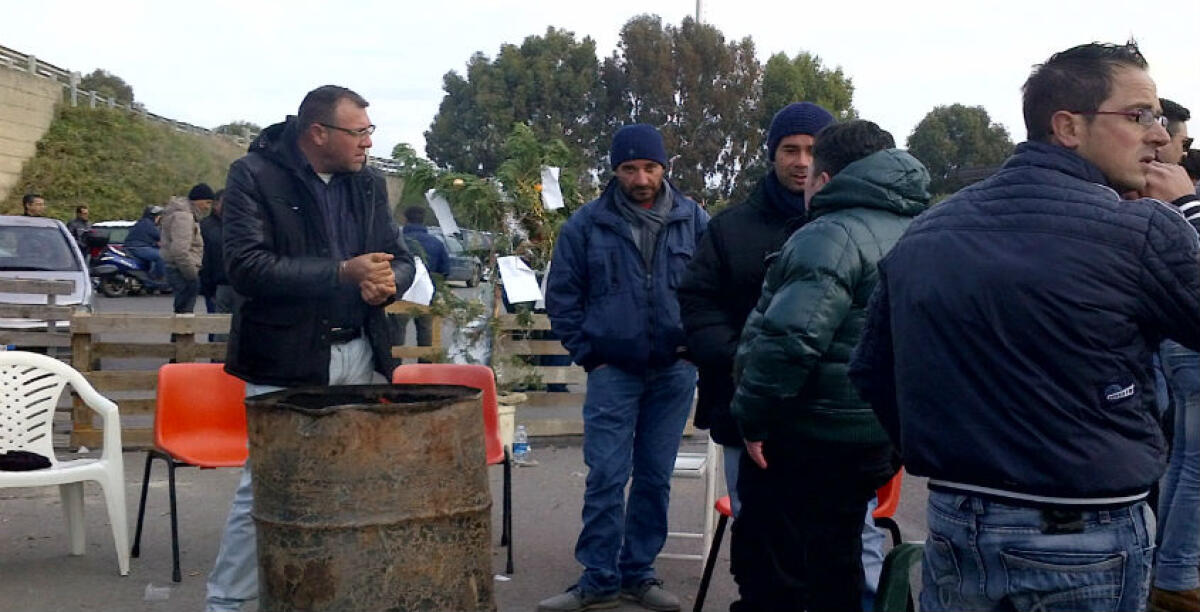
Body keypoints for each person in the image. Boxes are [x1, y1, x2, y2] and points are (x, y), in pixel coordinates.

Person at [849, 42, 1200, 612]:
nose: (1159, 135)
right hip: (1084, 535)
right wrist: (1189, 210)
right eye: (1139, 116)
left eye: (1158, 118)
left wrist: (961, 455)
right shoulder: (1139, 231)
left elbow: (873, 372)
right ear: (1067, 126)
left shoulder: (930, 228)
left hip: (958, 523)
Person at [205, 84, 414, 612]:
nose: (368, 142)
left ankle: (331, 595)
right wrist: (344, 273)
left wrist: (391, 283)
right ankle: (229, 603)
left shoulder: (368, 183)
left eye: (370, 131)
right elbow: (246, 268)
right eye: (358, 132)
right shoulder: (253, 175)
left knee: (355, 484)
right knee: (271, 486)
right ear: (318, 133)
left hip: (362, 354)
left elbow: (401, 257)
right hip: (286, 359)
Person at [728, 120, 929, 611]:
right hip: (877, 431)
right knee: (838, 562)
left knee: (776, 573)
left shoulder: (831, 233)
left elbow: (791, 340)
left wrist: (752, 419)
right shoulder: (920, 226)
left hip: (809, 434)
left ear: (825, 176)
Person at [540, 124, 708, 612]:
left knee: (655, 477)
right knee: (607, 476)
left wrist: (695, 346)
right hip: (612, 370)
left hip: (674, 372)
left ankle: (640, 573)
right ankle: (597, 578)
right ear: (614, 170)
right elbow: (563, 297)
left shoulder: (694, 220)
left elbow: (712, 289)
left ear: (664, 167)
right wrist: (589, 353)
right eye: (630, 168)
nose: (641, 177)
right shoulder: (585, 226)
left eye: (650, 167)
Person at [1152, 98, 1200, 612]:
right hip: (1189, 337)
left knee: (1183, 459)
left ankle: (1169, 566)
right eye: (1183, 142)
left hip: (1174, 342)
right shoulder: (1168, 192)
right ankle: (1177, 573)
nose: (1185, 155)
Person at [390, 205, 450, 358]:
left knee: (397, 332)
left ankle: (395, 370)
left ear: (405, 219)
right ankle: (425, 370)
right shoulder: (436, 243)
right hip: (427, 295)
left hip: (400, 292)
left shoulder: (396, 240)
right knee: (425, 332)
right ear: (423, 220)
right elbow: (445, 271)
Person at [160, 184, 210, 313]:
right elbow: (180, 250)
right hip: (181, 270)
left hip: (177, 268)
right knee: (184, 315)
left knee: (182, 312)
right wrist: (191, 273)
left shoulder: (181, 215)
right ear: (197, 200)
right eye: (207, 202)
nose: (207, 207)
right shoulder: (184, 217)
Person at [200, 189, 235, 341]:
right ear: (216, 205)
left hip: (238, 282)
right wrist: (207, 287)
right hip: (219, 283)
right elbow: (205, 259)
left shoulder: (239, 225)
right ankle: (217, 359)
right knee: (218, 325)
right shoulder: (206, 227)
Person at [125, 204, 166, 285]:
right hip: (138, 247)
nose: (160, 218)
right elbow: (160, 236)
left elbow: (148, 238)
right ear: (153, 216)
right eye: (158, 216)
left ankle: (151, 277)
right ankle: (158, 279)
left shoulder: (142, 222)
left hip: (137, 246)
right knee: (162, 255)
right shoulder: (148, 223)